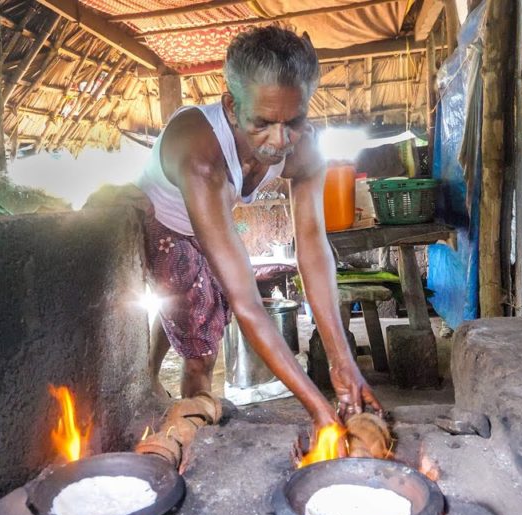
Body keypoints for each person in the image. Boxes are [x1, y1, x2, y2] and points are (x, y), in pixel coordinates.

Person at [137, 26, 382, 429]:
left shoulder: (303, 148)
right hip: (163, 227)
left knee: (197, 309)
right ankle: (192, 416)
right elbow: (247, 302)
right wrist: (318, 409)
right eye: (263, 123)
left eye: (295, 120)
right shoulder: (200, 152)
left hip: (210, 224)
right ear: (232, 107)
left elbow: (313, 246)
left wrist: (343, 363)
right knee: (201, 346)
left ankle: (154, 375)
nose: (279, 140)